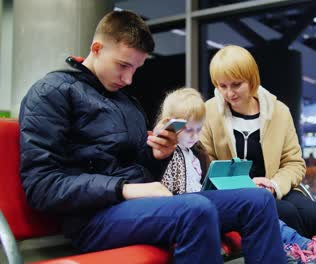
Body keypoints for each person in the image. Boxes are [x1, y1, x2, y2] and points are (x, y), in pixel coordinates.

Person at [19, 10, 287, 263]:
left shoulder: (127, 103)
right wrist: (125, 189)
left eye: (135, 69)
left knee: (257, 201)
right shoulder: (51, 92)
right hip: (91, 219)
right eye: (123, 65)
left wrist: (157, 156)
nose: (128, 79)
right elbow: (41, 185)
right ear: (97, 49)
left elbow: (137, 168)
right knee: (195, 210)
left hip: (137, 209)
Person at [158, 87, 316, 264]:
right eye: (188, 130)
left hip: (206, 204)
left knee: (268, 207)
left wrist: (249, 182)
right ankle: (302, 249)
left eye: (198, 130)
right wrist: (166, 136)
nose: (194, 136)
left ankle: (306, 248)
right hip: (188, 210)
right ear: (171, 125)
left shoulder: (196, 152)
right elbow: (167, 190)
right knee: (265, 209)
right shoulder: (166, 153)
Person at [199, 45, 316, 244]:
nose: (229, 93)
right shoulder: (208, 112)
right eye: (222, 86)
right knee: (286, 213)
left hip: (275, 187)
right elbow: (206, 164)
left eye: (236, 84)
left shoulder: (279, 111)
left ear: (252, 80)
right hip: (237, 195)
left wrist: (274, 185)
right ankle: (305, 256)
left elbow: (294, 163)